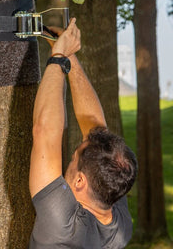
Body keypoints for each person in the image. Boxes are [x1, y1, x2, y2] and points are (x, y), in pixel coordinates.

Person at [29, 18, 138, 249]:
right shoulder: (119, 224)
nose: (70, 160)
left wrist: (58, 57)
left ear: (80, 181)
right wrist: (69, 56)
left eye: (73, 159)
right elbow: (97, 128)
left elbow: (45, 131)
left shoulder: (62, 226)